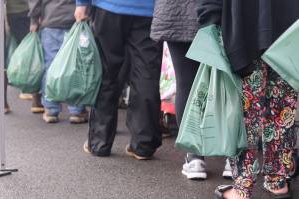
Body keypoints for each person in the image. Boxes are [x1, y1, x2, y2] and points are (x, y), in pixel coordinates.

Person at [196, 0, 299, 198]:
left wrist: (209, 18)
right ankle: (277, 183)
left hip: (246, 29)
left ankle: (242, 187)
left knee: (245, 115)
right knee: (282, 110)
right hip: (290, 28)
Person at [150, 0, 232, 180]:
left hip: (176, 11)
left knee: (186, 84)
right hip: (225, 10)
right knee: (230, 84)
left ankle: (194, 158)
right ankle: (233, 158)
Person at [75, 0, 163, 159]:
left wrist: (82, 3)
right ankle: (144, 144)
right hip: (149, 9)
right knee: (146, 73)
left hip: (109, 6)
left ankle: (99, 142)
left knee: (107, 73)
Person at [28, 0, 88, 124]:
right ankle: (76, 110)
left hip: (51, 20)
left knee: (51, 66)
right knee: (76, 65)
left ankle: (50, 109)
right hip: (76, 18)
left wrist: (34, 20)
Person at [4, 0, 43, 114]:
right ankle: (35, 98)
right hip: (22, 10)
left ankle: (3, 103)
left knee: (3, 57)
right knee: (32, 53)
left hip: (8, 12)